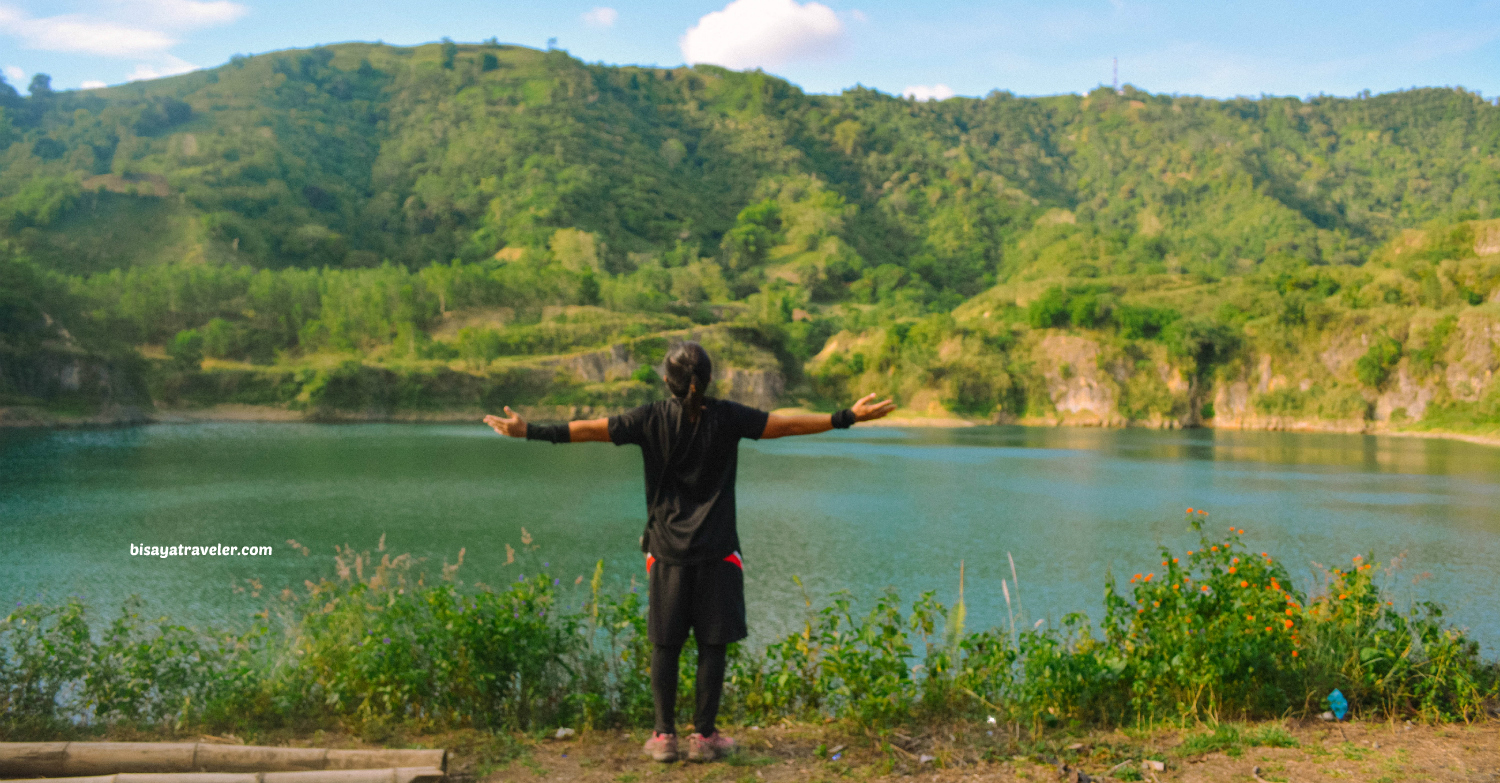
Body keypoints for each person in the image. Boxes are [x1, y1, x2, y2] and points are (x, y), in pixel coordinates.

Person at [484, 341, 895, 762]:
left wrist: (528, 429)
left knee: (666, 644)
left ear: (667, 381)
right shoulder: (729, 416)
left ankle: (664, 737)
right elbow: (786, 426)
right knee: (712, 645)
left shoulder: (649, 418)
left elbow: (587, 429)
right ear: (710, 379)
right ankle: (704, 736)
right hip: (719, 552)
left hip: (666, 553)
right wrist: (845, 417)